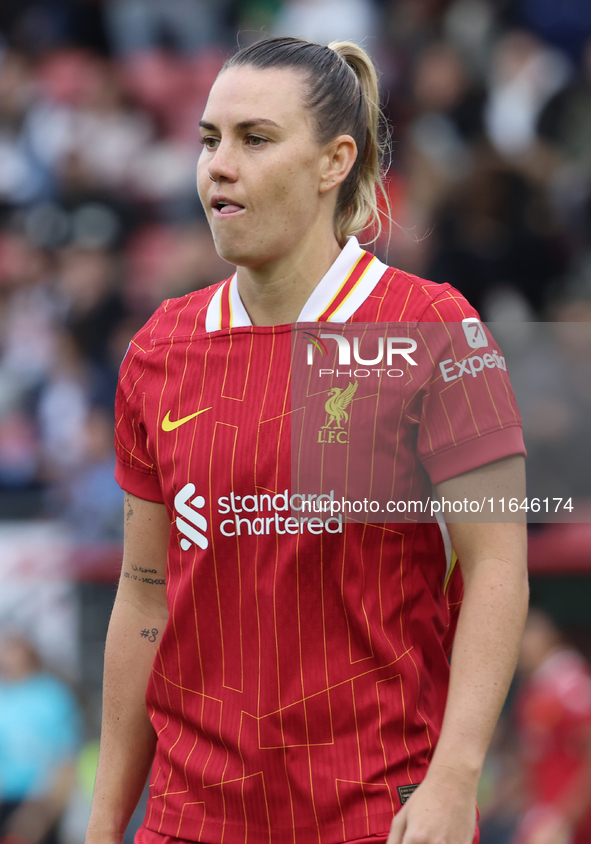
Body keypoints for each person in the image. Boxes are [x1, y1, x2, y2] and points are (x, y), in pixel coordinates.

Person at [85, 36, 529, 844]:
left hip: (373, 817)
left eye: (254, 140)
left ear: (334, 163)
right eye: (208, 140)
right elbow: (145, 596)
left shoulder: (434, 328)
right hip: (189, 823)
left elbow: (498, 566)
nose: (219, 164)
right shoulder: (159, 348)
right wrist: (106, 821)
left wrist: (454, 778)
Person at [513, 608, 591, 844]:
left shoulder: (571, 683)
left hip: (571, 824)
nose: (519, 647)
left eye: (526, 635)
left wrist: (564, 818)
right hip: (544, 817)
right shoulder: (533, 689)